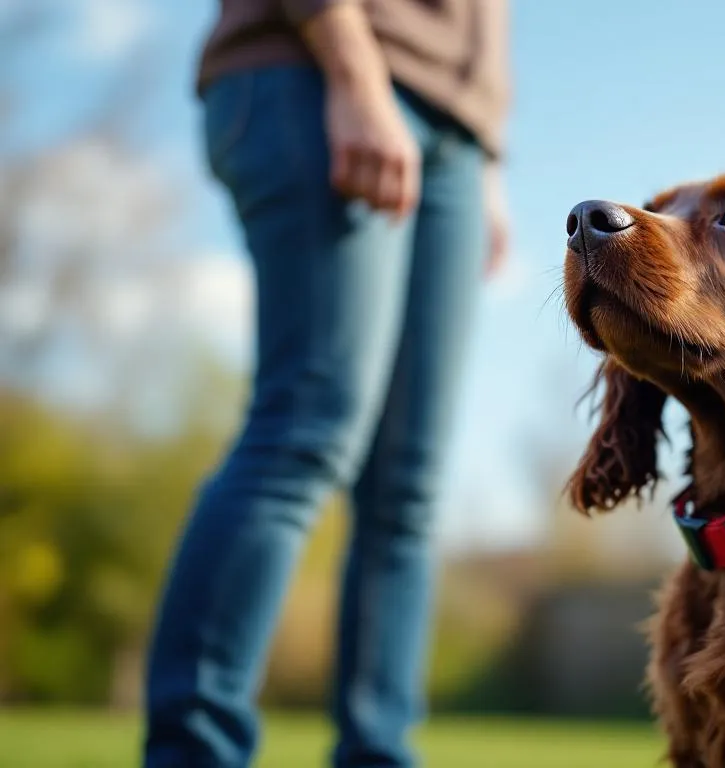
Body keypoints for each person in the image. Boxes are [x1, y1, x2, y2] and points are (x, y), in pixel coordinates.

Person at [142, 1, 509, 766]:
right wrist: (353, 70)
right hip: (314, 62)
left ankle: (378, 751)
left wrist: (487, 161)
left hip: (456, 134)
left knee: (408, 490)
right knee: (302, 437)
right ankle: (192, 750)